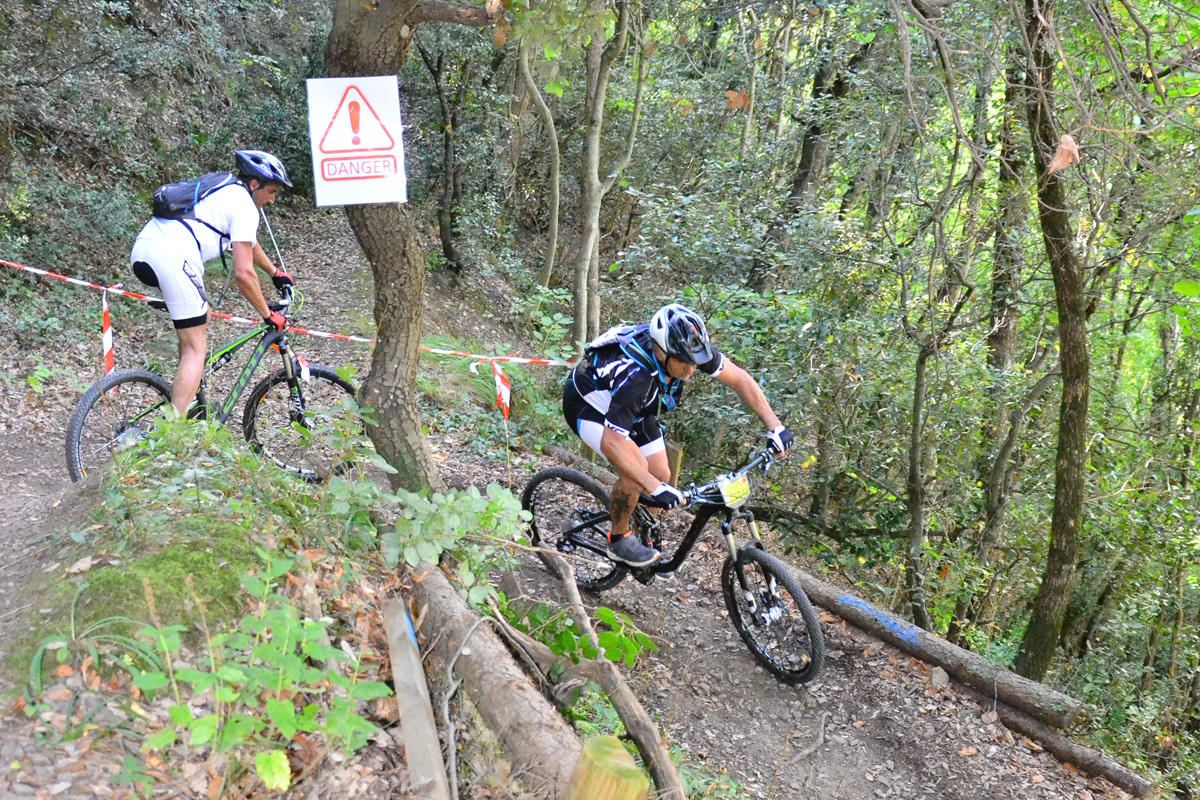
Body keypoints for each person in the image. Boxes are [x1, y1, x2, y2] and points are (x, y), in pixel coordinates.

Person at [562, 303, 793, 566]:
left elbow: (739, 379)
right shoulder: (637, 377)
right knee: (638, 474)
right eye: (684, 363)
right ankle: (618, 539)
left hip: (633, 409)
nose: (692, 369)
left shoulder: (689, 350)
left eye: (695, 361)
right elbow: (612, 442)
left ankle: (639, 529)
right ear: (661, 353)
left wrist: (775, 426)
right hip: (589, 405)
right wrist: (653, 487)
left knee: (662, 473)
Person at [129, 149, 294, 416]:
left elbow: (247, 242)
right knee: (197, 348)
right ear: (255, 184)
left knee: (201, 317)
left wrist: (274, 271)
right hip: (174, 257)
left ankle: (189, 395)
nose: (272, 200)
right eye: (272, 191)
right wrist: (268, 314)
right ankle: (173, 434)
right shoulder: (244, 205)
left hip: (145, 249)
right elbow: (244, 274)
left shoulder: (226, 189)